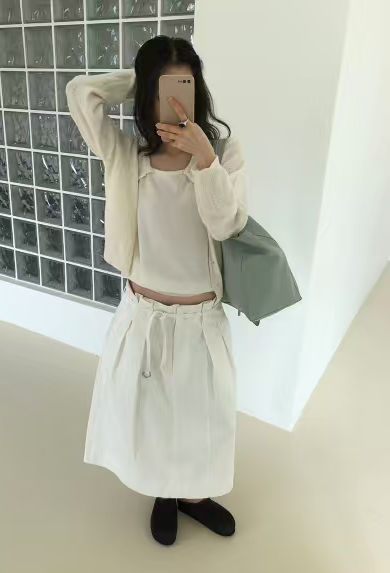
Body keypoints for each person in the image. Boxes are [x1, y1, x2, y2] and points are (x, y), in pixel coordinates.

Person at [66, 35, 248, 546]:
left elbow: (228, 225)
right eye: (162, 90)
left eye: (183, 86)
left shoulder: (224, 153)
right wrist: (143, 80)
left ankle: (195, 496)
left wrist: (205, 159)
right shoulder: (126, 154)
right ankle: (163, 493)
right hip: (144, 313)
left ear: (198, 89)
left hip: (201, 320)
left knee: (202, 417)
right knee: (149, 414)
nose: (173, 100)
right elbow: (81, 91)